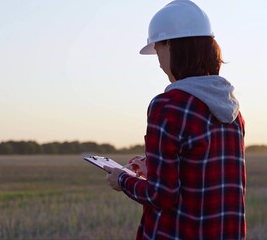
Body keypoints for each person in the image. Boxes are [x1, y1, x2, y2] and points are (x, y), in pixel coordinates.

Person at [104, 0, 246, 239]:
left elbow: (162, 195)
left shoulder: (168, 106)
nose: (157, 57)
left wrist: (122, 179)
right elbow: (200, 172)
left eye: (157, 46)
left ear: (171, 46)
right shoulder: (233, 112)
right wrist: (152, 166)